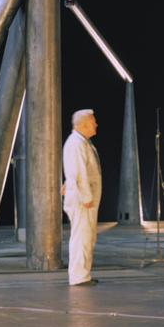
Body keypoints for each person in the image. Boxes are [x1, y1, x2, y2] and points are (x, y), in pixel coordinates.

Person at [61, 108, 101, 286]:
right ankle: (79, 277)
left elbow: (74, 172)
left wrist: (68, 185)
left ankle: (83, 274)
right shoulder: (76, 144)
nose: (96, 124)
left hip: (83, 198)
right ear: (84, 124)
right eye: (93, 122)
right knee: (82, 237)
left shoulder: (82, 142)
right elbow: (78, 174)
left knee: (87, 236)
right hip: (82, 201)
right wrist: (85, 197)